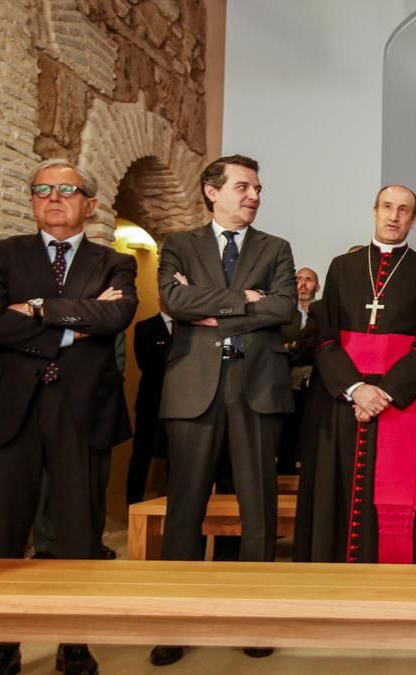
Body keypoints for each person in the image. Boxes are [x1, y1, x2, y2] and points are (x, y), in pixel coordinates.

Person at [0, 158, 137, 675]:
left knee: (81, 534)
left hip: (82, 408)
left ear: (90, 204)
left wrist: (32, 308)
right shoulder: (1, 254)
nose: (53, 197)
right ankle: (1, 649)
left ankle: (75, 644)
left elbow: (117, 315)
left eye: (66, 190)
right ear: (33, 200)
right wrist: (72, 321)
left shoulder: (113, 260)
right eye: (42, 190)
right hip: (7, 407)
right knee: (3, 533)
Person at [151, 154, 296, 666]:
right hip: (193, 388)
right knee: (184, 510)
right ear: (212, 192)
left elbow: (285, 309)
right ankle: (175, 621)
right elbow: (172, 300)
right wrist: (243, 300)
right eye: (243, 186)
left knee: (258, 512)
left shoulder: (275, 248)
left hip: (256, 388)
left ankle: (253, 618)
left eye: (257, 187)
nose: (254, 195)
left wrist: (212, 306)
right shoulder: (180, 245)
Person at [293, 185, 416, 564]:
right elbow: (325, 338)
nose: (394, 216)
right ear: (374, 211)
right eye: (388, 207)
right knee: (337, 489)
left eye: (404, 210)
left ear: (415, 219)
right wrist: (356, 388)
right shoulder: (343, 267)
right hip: (343, 401)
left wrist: (385, 393)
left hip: (398, 402)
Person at [126, 308, 173, 505]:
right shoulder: (145, 327)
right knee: (142, 454)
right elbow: (144, 363)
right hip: (151, 401)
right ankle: (133, 503)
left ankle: (175, 503)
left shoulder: (187, 327)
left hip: (180, 403)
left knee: (177, 455)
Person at [277, 266, 320, 474]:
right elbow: (275, 346)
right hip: (286, 383)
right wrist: (299, 348)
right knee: (287, 435)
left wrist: (292, 346)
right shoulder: (282, 314)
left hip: (318, 384)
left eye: (308, 279)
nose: (302, 284)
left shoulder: (323, 313)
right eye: (298, 279)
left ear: (317, 286)